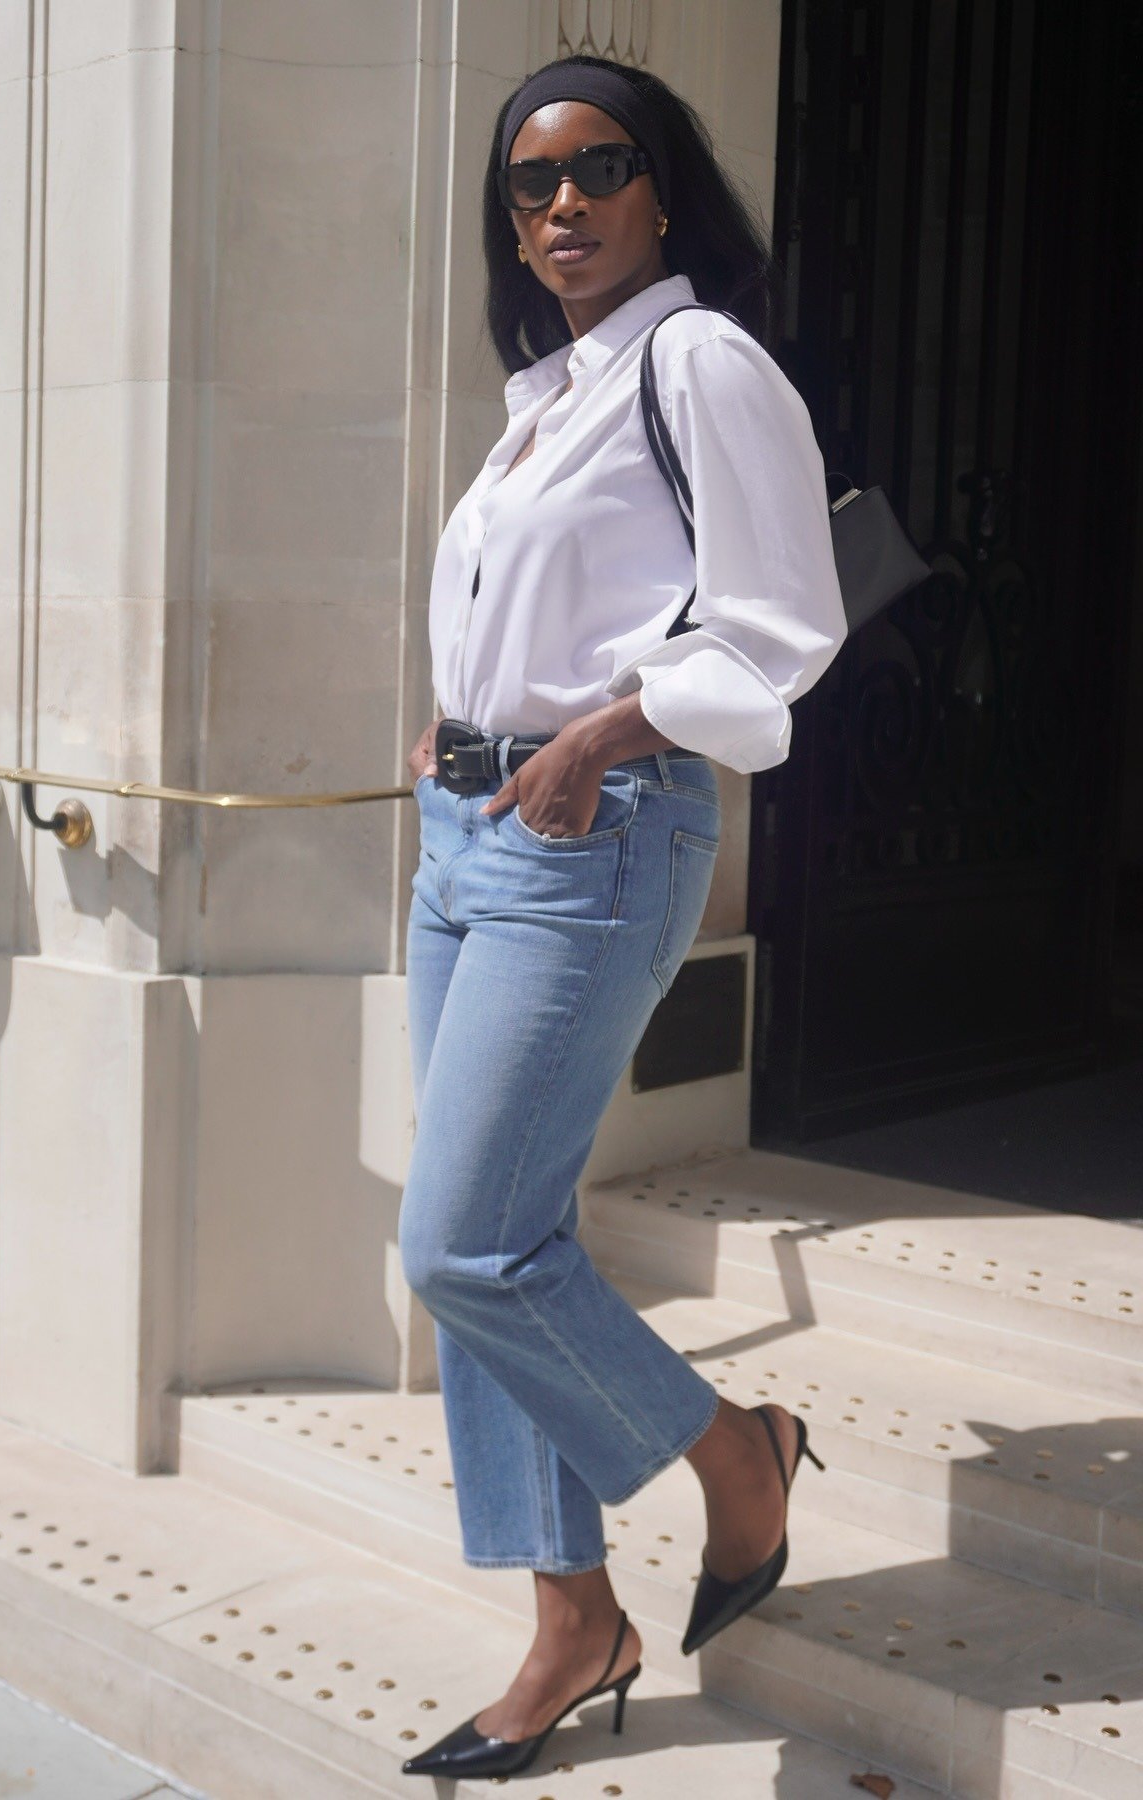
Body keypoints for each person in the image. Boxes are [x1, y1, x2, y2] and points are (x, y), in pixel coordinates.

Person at [396, 53, 845, 1781]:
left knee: (470, 1245)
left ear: (663, 189)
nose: (562, 203)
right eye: (531, 183)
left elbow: (777, 632)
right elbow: (555, 607)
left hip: (599, 832)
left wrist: (595, 728)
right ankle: (571, 1617)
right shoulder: (546, 390)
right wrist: (471, 712)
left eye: (599, 167)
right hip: (477, 826)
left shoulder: (700, 362)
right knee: (489, 1258)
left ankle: (736, 1456)